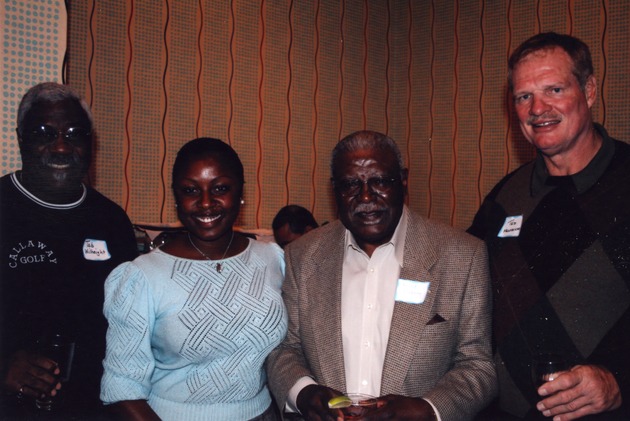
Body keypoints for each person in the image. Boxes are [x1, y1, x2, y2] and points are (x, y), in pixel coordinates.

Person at [267, 130, 497, 421]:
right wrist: (303, 392)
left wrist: (427, 409)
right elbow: (285, 348)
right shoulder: (302, 256)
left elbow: (477, 364)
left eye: (380, 181)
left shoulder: (463, 255)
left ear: (403, 180)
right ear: (334, 189)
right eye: (351, 184)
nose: (366, 196)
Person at [468, 32, 630, 420]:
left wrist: (618, 380)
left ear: (589, 91)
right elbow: (464, 291)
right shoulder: (504, 196)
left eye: (554, 89)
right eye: (524, 96)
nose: (538, 108)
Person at [100, 138, 288, 421]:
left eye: (220, 188)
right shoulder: (142, 276)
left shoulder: (273, 259)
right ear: (176, 197)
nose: (206, 202)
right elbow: (121, 388)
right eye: (190, 190)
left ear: (240, 193)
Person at [0, 82, 138, 418]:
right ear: (21, 139)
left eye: (75, 133)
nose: (61, 147)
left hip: (92, 407)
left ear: (91, 143)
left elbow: (130, 324)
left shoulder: (113, 221)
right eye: (44, 133)